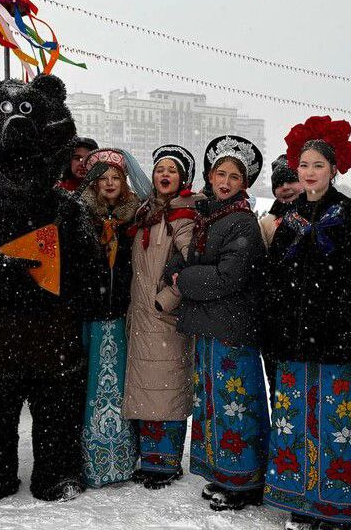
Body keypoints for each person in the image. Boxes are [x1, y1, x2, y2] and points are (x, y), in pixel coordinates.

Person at [0, 69, 106, 507]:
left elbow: (90, 267)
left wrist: (81, 284)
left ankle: (57, 473)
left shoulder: (65, 208)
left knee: (57, 412)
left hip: (53, 332)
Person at [263, 116, 351, 530]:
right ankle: (298, 495)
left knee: (337, 420)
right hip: (293, 340)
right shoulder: (288, 218)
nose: (310, 173)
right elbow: (274, 277)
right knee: (294, 417)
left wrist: (350, 331)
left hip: (336, 340)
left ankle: (337, 503)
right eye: (304, 166)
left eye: (318, 165)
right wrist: (275, 327)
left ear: (333, 169)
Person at [165, 135, 268, 511]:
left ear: (244, 183)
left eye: (234, 176)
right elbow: (193, 257)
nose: (225, 181)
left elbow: (229, 277)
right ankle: (222, 473)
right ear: (210, 176)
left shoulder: (241, 222)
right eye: (220, 173)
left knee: (235, 403)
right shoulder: (210, 215)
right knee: (211, 402)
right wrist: (181, 271)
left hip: (231, 327)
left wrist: (184, 279)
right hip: (210, 326)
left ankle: (244, 480)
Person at [124, 144, 199, 490]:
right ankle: (149, 459)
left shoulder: (185, 217)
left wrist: (164, 301)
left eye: (172, 170)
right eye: (159, 169)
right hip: (140, 319)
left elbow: (192, 263)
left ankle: (165, 463)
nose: (164, 175)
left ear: (182, 177)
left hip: (164, 320)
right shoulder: (146, 213)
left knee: (165, 389)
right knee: (146, 389)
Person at [79, 147, 143, 487]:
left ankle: (119, 457)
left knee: (119, 386)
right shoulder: (81, 217)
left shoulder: (134, 219)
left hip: (120, 313)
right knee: (87, 386)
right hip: (89, 312)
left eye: (115, 177)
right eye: (102, 178)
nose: (109, 183)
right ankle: (88, 459)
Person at [259, 154, 302, 246]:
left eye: (291, 180)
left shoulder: (323, 213)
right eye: (278, 184)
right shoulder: (266, 224)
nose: (285, 187)